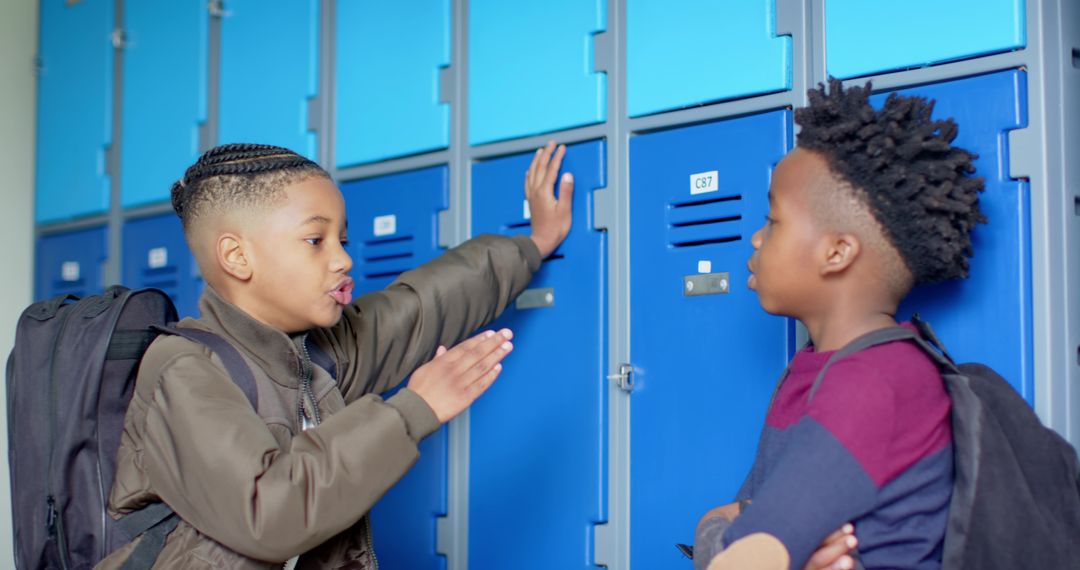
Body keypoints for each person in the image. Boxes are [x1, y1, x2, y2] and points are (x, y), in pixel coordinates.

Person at [97, 141, 576, 569]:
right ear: (237, 257)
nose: (344, 258)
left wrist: (533, 244)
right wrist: (414, 409)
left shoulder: (319, 354)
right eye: (315, 240)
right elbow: (267, 513)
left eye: (342, 240)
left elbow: (422, 306)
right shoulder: (184, 368)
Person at [694, 79, 986, 570]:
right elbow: (732, 526)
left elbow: (737, 547)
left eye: (774, 219)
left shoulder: (875, 382)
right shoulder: (820, 366)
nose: (757, 237)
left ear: (837, 252)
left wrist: (724, 538)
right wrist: (723, 536)